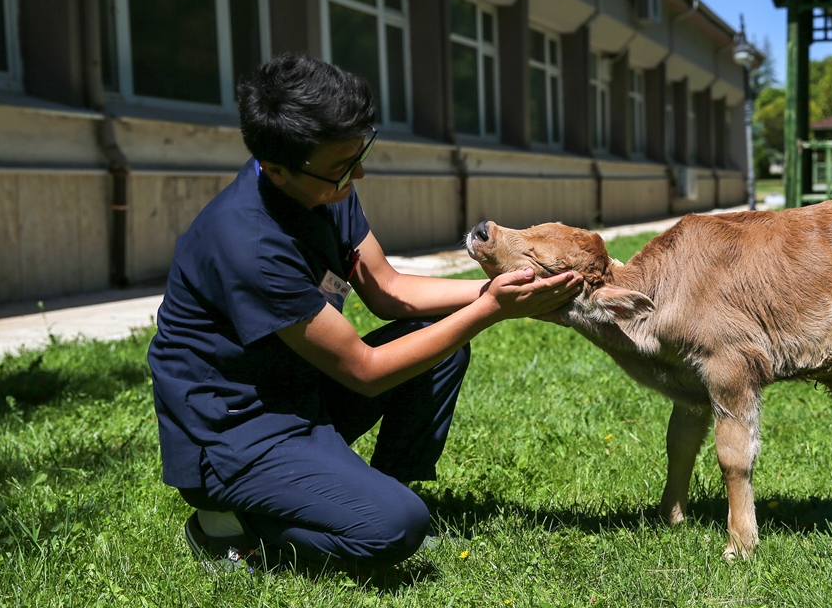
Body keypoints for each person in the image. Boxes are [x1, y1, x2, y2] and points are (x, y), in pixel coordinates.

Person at [147, 54, 582, 571]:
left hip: (296, 389)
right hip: (235, 430)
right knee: (397, 529)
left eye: (360, 153)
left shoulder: (322, 187)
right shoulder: (250, 244)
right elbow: (366, 372)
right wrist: (491, 309)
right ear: (276, 169)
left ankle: (381, 489)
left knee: (438, 345)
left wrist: (502, 288)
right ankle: (226, 528)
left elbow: (389, 291)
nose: (359, 172)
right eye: (342, 167)